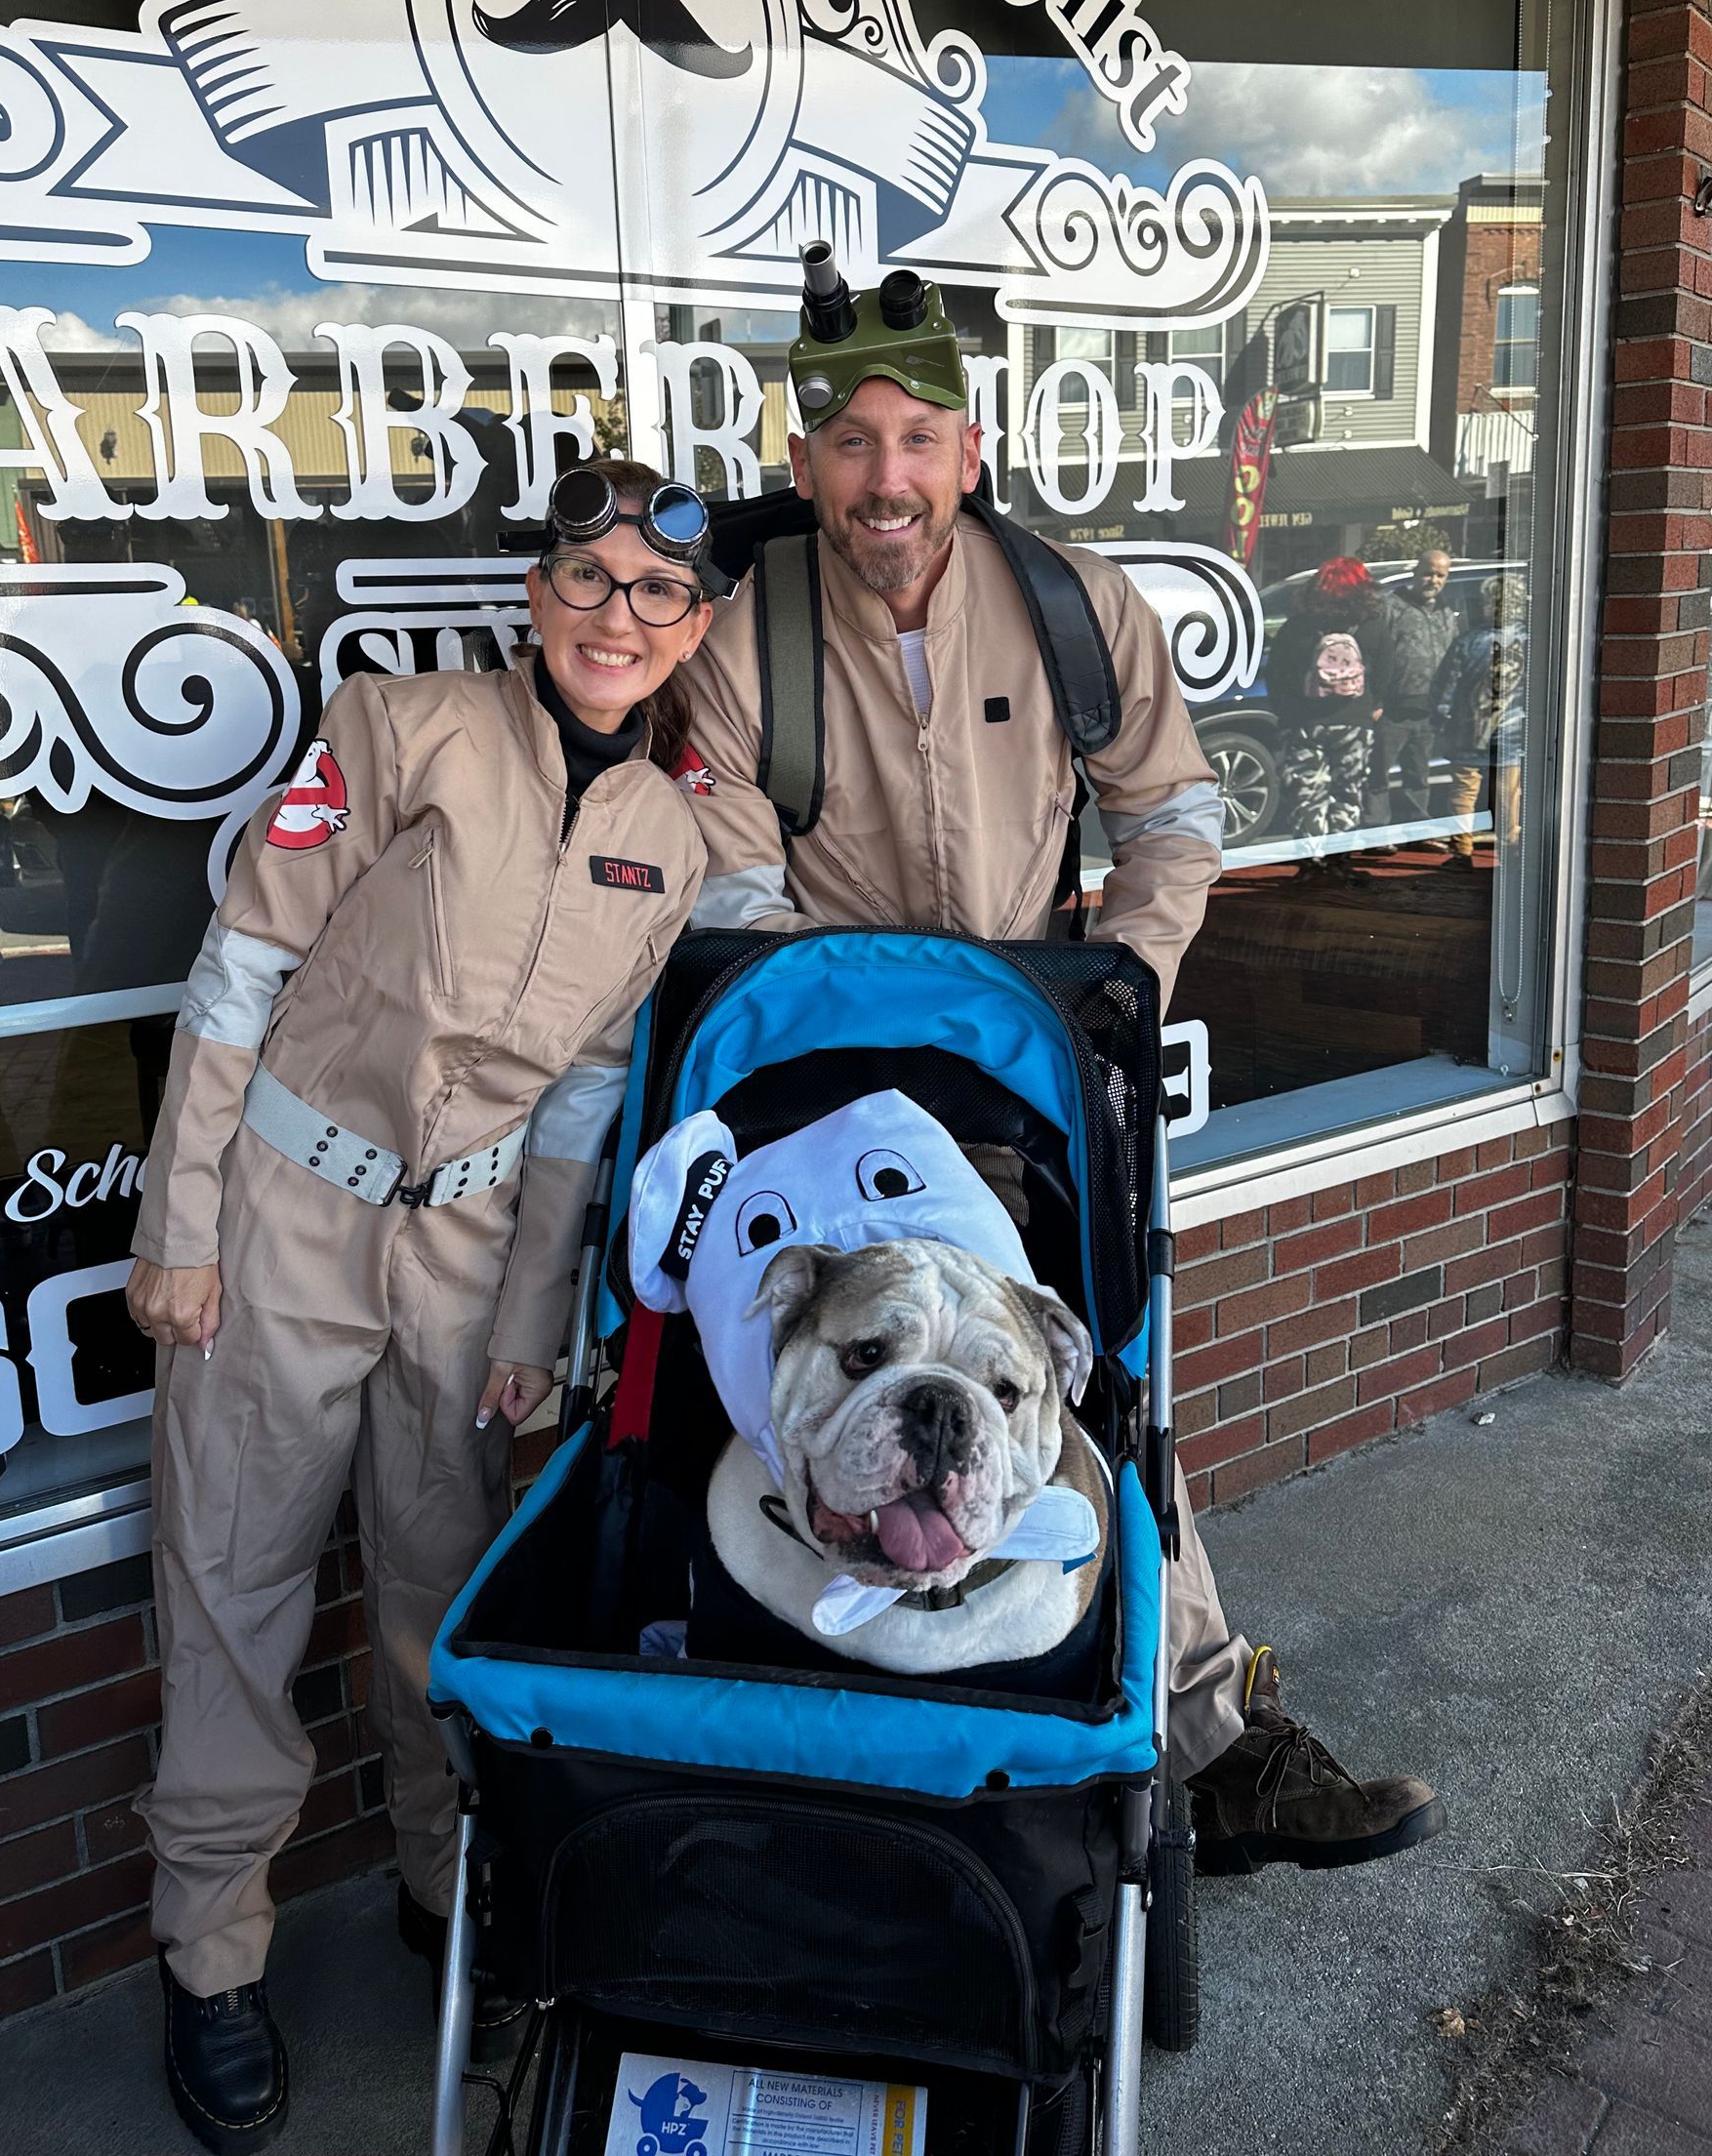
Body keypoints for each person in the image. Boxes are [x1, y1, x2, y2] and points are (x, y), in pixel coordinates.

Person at [678, 256, 1444, 1876]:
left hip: (1043, 1081)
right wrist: (843, 1045)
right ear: (806, 459)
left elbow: (1172, 818)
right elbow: (734, 894)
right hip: (840, 1114)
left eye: (920, 439)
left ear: (970, 448)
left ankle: (1216, 1743)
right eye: (853, 444)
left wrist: (1115, 995)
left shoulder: (1075, 606)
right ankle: (851, 1773)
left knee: (1109, 1408)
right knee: (830, 1417)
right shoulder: (744, 644)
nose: (888, 480)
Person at [124, 462, 715, 2155]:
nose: (618, 616)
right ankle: (212, 1948)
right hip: (285, 1221)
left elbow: (590, 1100)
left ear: (694, 630)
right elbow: (242, 964)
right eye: (586, 581)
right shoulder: (400, 728)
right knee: (235, 1580)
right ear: (534, 598)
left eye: (655, 594)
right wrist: (184, 1219)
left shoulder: (669, 839)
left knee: (440, 1593)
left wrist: (535, 1317)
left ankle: (436, 1885)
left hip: (467, 1265)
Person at [1265, 556, 1392, 867]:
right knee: (1348, 791)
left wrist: (1285, 710)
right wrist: (1375, 705)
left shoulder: (1299, 625)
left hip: (1304, 721)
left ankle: (1311, 861)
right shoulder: (1374, 623)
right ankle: (1339, 858)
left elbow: (1277, 671)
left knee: (1307, 793)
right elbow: (1388, 668)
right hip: (1355, 720)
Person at [1434, 572, 1529, 865]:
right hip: (1512, 728)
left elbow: (1446, 686)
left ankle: (1461, 849)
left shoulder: (1468, 641)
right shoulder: (1530, 640)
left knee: (1464, 789)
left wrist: (1441, 715)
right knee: (1508, 791)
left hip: (1469, 727)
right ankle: (1511, 846)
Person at [1367, 549, 1458, 834]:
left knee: (1419, 774)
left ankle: (1416, 829)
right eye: (1428, 573)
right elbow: (1374, 655)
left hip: (1429, 710)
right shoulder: (1391, 606)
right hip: (1392, 706)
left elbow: (1454, 656)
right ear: (1416, 573)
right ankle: (1375, 830)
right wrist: (1375, 699)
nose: (1433, 580)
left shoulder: (1446, 611)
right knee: (1378, 773)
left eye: (1440, 575)